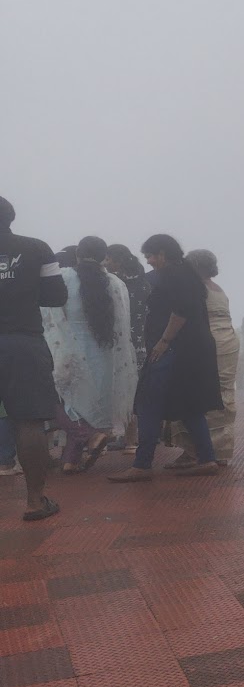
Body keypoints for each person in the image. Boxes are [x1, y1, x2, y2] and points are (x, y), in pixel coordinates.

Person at [115, 234, 223, 482]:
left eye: (150, 256)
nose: (150, 261)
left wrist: (164, 341)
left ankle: (142, 464)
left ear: (163, 253)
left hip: (174, 349)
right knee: (189, 406)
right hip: (189, 350)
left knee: (147, 403)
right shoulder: (187, 273)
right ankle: (207, 458)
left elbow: (181, 311)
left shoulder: (174, 274)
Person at [40, 236, 136, 473]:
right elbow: (123, 324)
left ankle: (90, 435)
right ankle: (71, 460)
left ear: (77, 255)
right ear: (104, 256)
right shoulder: (116, 283)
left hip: (68, 351)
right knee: (84, 405)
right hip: (105, 355)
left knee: (58, 402)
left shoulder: (63, 278)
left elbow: (49, 317)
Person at [0, 196, 69, 520]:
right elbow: (56, 296)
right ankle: (34, 501)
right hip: (21, 341)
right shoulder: (36, 248)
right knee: (29, 422)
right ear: (11, 217)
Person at [167, 249, 238, 467]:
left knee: (197, 394)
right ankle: (220, 450)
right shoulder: (218, 289)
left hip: (206, 342)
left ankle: (194, 450)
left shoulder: (194, 288)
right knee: (223, 393)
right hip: (228, 341)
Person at [104, 244, 149, 451]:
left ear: (117, 260)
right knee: (139, 391)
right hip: (143, 342)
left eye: (108, 259)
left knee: (123, 389)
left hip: (121, 344)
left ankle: (126, 439)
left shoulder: (114, 282)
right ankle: (137, 439)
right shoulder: (144, 281)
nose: (105, 263)